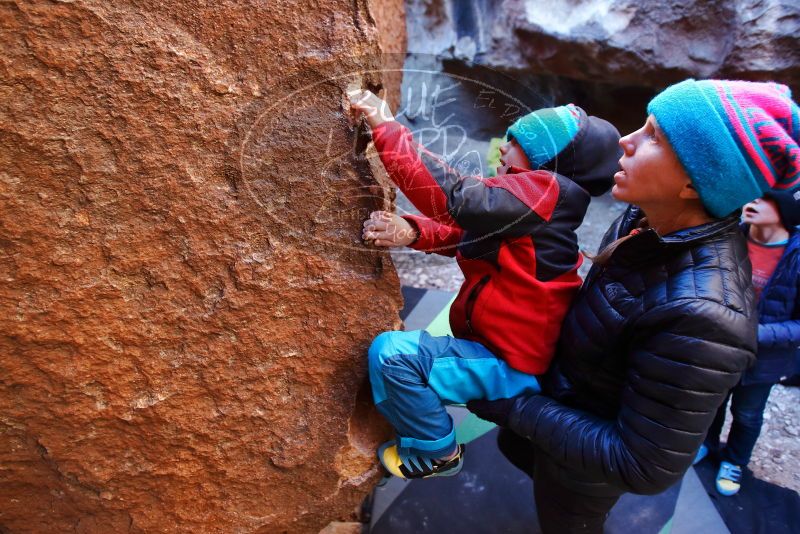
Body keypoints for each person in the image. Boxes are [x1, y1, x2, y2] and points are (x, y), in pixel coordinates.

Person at [467, 79, 800, 533]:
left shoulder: (705, 317)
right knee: (528, 464)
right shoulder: (646, 218)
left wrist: (512, 405)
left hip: (581, 466)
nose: (626, 140)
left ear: (694, 180)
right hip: (559, 416)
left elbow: (643, 464)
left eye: (653, 136)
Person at [349, 89, 621, 479]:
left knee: (394, 357)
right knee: (413, 351)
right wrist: (415, 232)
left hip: (508, 365)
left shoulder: (545, 190)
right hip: (499, 348)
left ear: (548, 161)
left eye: (517, 143)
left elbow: (456, 198)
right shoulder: (539, 207)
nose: (503, 148)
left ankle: (438, 453)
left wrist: (387, 128)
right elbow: (476, 238)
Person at [699, 190, 800, 496]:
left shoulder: (796, 257)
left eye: (766, 198)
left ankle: (734, 462)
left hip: (763, 359)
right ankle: (706, 444)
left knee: (747, 413)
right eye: (752, 192)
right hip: (720, 348)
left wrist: (754, 334)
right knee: (712, 401)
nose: (753, 201)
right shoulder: (728, 237)